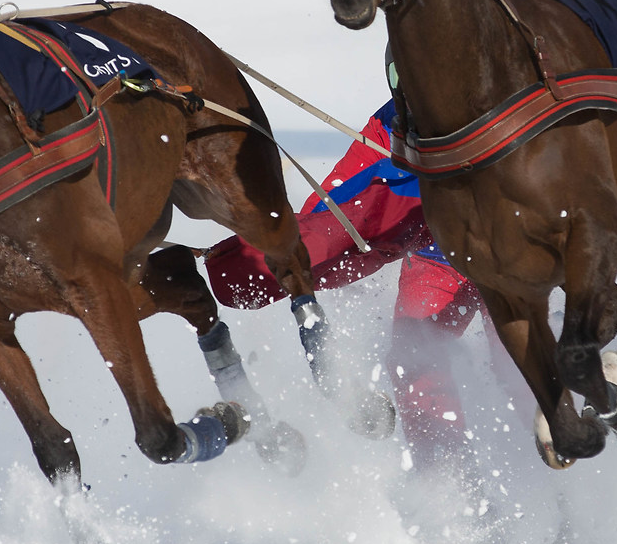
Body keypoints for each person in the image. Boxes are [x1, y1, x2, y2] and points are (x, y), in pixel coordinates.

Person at [204, 101, 494, 466]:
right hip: (437, 247)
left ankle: (565, 492)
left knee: (524, 363)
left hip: (521, 235)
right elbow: (319, 232)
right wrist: (235, 265)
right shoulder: (399, 119)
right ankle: (448, 491)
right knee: (413, 360)